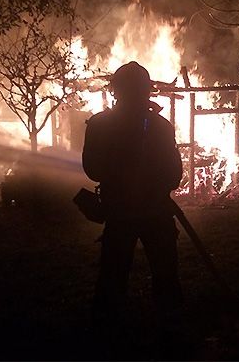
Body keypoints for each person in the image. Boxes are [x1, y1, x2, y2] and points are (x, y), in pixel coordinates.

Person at [82, 61, 183, 351]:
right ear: (146, 91)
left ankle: (106, 330)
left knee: (113, 272)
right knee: (165, 271)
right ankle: (171, 327)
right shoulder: (161, 126)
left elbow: (93, 169)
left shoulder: (99, 124)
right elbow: (174, 173)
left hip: (120, 212)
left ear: (116, 91)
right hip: (156, 211)